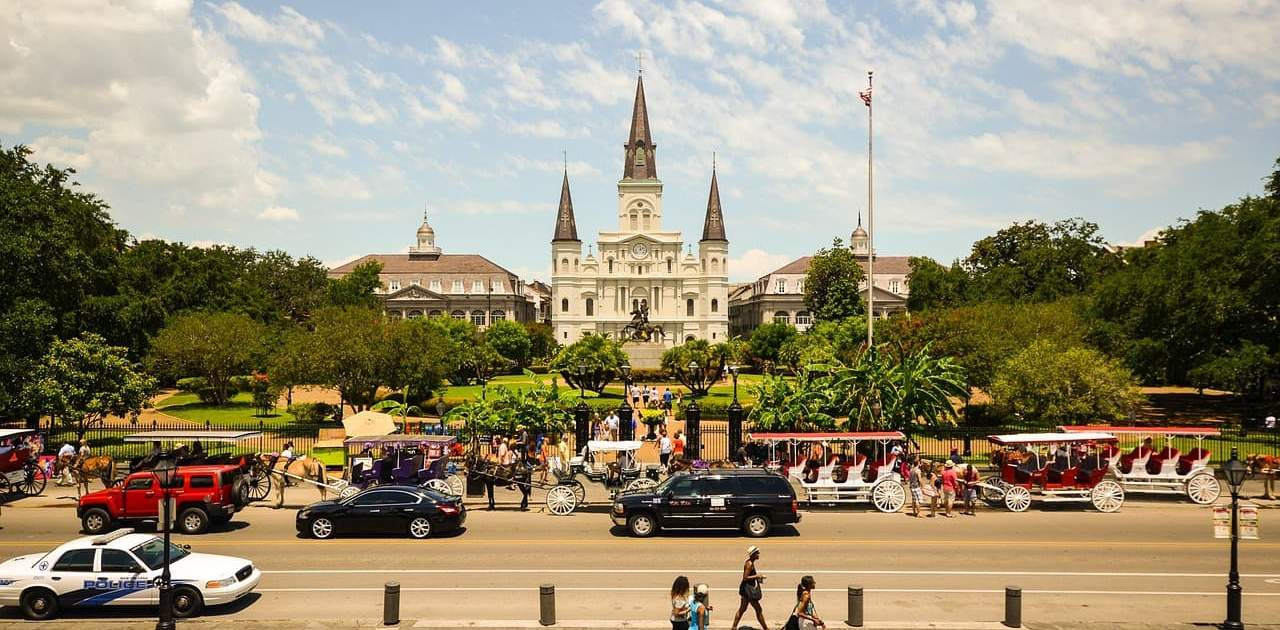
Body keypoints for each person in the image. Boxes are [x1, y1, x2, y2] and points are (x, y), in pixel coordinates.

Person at [731, 546, 768, 630]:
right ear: (753, 554)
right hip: (749, 592)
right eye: (757, 553)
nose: (758, 554)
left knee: (742, 609)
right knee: (758, 610)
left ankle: (733, 627)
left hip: (746, 591)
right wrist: (757, 576)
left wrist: (757, 578)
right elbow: (745, 577)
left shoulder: (750, 562)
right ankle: (766, 629)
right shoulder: (749, 564)